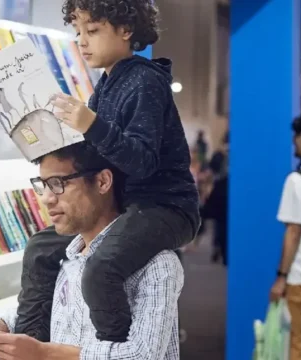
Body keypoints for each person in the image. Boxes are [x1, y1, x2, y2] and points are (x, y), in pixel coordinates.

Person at [16, 0, 199, 342]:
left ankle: (110, 346)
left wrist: (91, 124)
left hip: (165, 208)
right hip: (125, 206)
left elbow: (142, 162)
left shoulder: (146, 82)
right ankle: (31, 343)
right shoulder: (106, 84)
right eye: (78, 32)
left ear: (126, 30)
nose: (82, 41)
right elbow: (97, 154)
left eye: (93, 30)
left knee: (101, 269)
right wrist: (51, 137)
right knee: (41, 249)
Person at [0, 142, 183, 359]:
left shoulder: (156, 264)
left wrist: (43, 354)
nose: (46, 198)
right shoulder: (65, 259)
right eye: (43, 185)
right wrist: (0, 328)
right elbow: (57, 317)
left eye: (58, 183)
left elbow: (143, 355)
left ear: (103, 181)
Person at [269, 113, 301, 360]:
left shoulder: (297, 181)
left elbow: (293, 232)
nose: (294, 142)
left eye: (297, 135)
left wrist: (281, 278)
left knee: (298, 341)